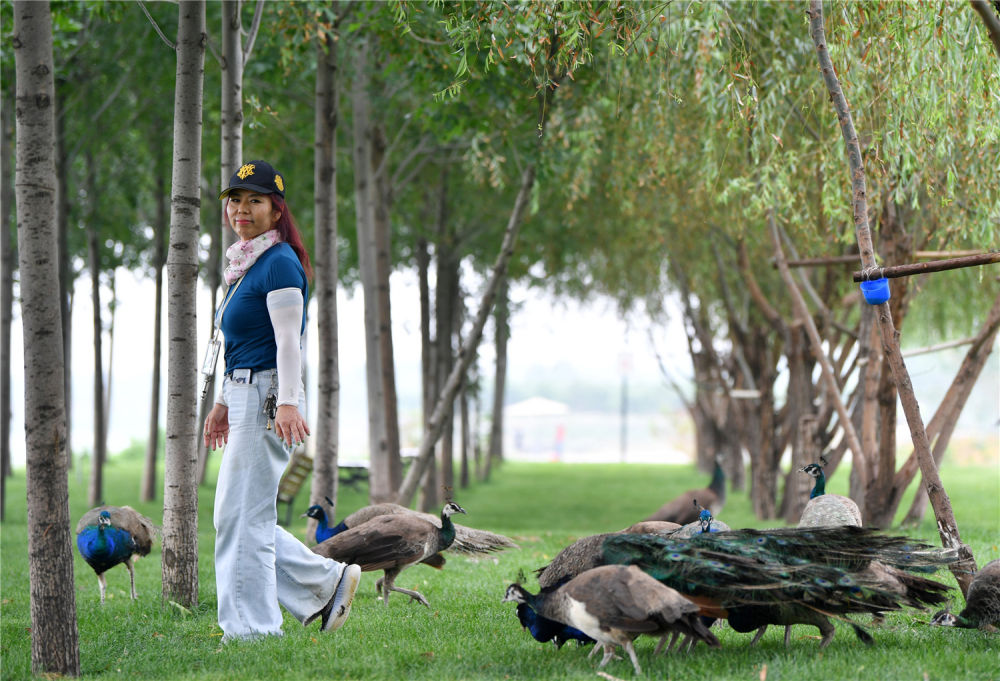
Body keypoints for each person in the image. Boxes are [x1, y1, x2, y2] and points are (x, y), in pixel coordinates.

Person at [203, 160, 360, 642]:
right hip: (244, 393)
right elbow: (238, 342)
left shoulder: (279, 262)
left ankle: (253, 631)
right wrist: (223, 401)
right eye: (235, 199)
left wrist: (287, 402)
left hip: (267, 397)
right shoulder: (245, 264)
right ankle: (326, 582)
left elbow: (290, 341)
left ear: (276, 210)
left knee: (244, 519)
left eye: (255, 200)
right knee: (238, 516)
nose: (241, 209)